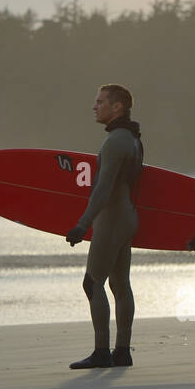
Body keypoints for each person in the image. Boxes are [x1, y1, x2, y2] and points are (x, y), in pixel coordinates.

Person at [65, 84, 143, 369]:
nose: (94, 107)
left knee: (92, 282)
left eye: (100, 102)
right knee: (120, 285)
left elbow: (103, 189)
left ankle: (101, 352)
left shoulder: (116, 142)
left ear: (117, 107)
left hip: (111, 219)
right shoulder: (133, 139)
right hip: (127, 218)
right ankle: (122, 351)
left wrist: (82, 224)